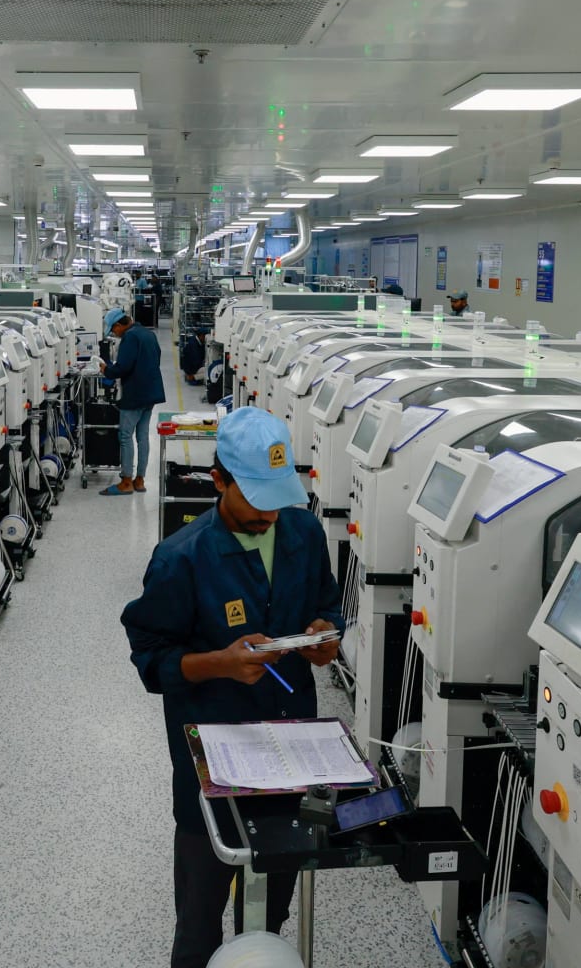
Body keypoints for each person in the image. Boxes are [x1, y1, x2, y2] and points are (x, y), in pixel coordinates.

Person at [121, 407, 344, 968]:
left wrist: (325, 636)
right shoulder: (182, 558)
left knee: (270, 911)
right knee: (200, 917)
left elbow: (327, 603)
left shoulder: (304, 533)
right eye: (256, 499)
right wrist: (219, 664)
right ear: (218, 480)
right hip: (213, 761)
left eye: (277, 498)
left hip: (288, 748)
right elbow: (151, 660)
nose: (269, 513)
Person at [99, 306, 163, 496]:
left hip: (135, 394)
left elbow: (123, 367)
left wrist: (106, 369)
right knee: (142, 436)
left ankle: (126, 481)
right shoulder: (148, 334)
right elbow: (156, 358)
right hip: (150, 392)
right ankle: (139, 480)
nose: (114, 334)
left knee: (126, 435)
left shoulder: (130, 337)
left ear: (119, 325)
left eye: (113, 330)